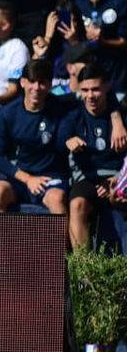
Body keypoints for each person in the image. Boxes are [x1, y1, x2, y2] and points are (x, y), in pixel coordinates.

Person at [0, 59, 69, 215]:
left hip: (51, 178)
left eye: (42, 82)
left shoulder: (62, 107)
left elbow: (99, 89)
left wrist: (115, 117)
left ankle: (63, 233)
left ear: (50, 85)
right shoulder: (8, 113)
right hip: (22, 177)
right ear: (22, 82)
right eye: (31, 81)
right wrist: (28, 179)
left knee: (56, 198)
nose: (36, 87)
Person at [61, 66, 126, 249]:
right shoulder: (73, 115)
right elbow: (59, 142)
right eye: (85, 90)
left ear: (107, 87)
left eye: (95, 89)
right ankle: (83, 264)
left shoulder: (121, 117)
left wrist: (118, 180)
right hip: (87, 178)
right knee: (77, 204)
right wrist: (68, 142)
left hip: (119, 176)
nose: (90, 96)